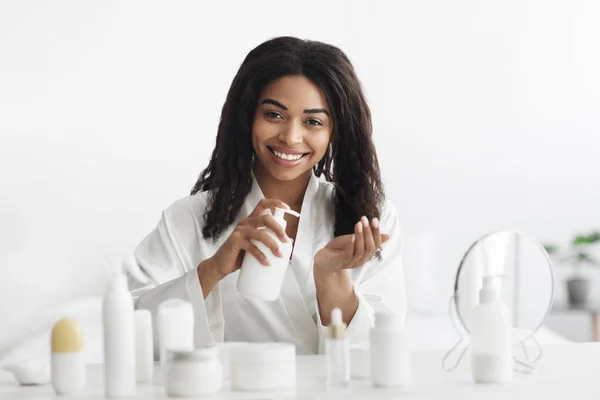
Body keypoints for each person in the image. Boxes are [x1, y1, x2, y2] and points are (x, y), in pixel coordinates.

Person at [130, 36, 406, 355]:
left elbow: (383, 352)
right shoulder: (188, 218)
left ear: (335, 131)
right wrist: (213, 269)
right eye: (274, 115)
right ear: (248, 116)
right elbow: (130, 327)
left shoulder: (371, 219)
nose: (290, 136)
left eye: (313, 121)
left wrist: (331, 280)